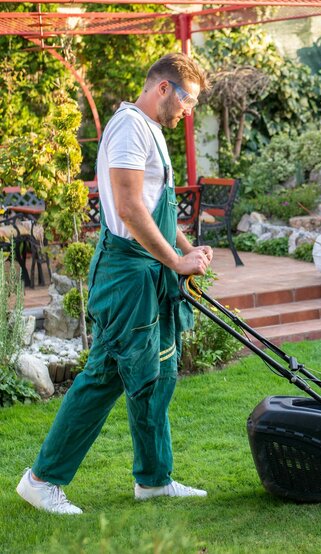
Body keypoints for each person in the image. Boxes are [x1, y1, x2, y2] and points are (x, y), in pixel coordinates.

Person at [16, 53, 213, 515]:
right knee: (106, 375)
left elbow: (156, 205)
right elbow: (128, 208)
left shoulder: (152, 132)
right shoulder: (128, 126)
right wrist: (176, 262)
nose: (189, 110)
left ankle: (154, 479)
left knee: (157, 374)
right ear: (163, 88)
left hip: (150, 269)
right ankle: (42, 479)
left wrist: (187, 250)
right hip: (126, 271)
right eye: (188, 99)